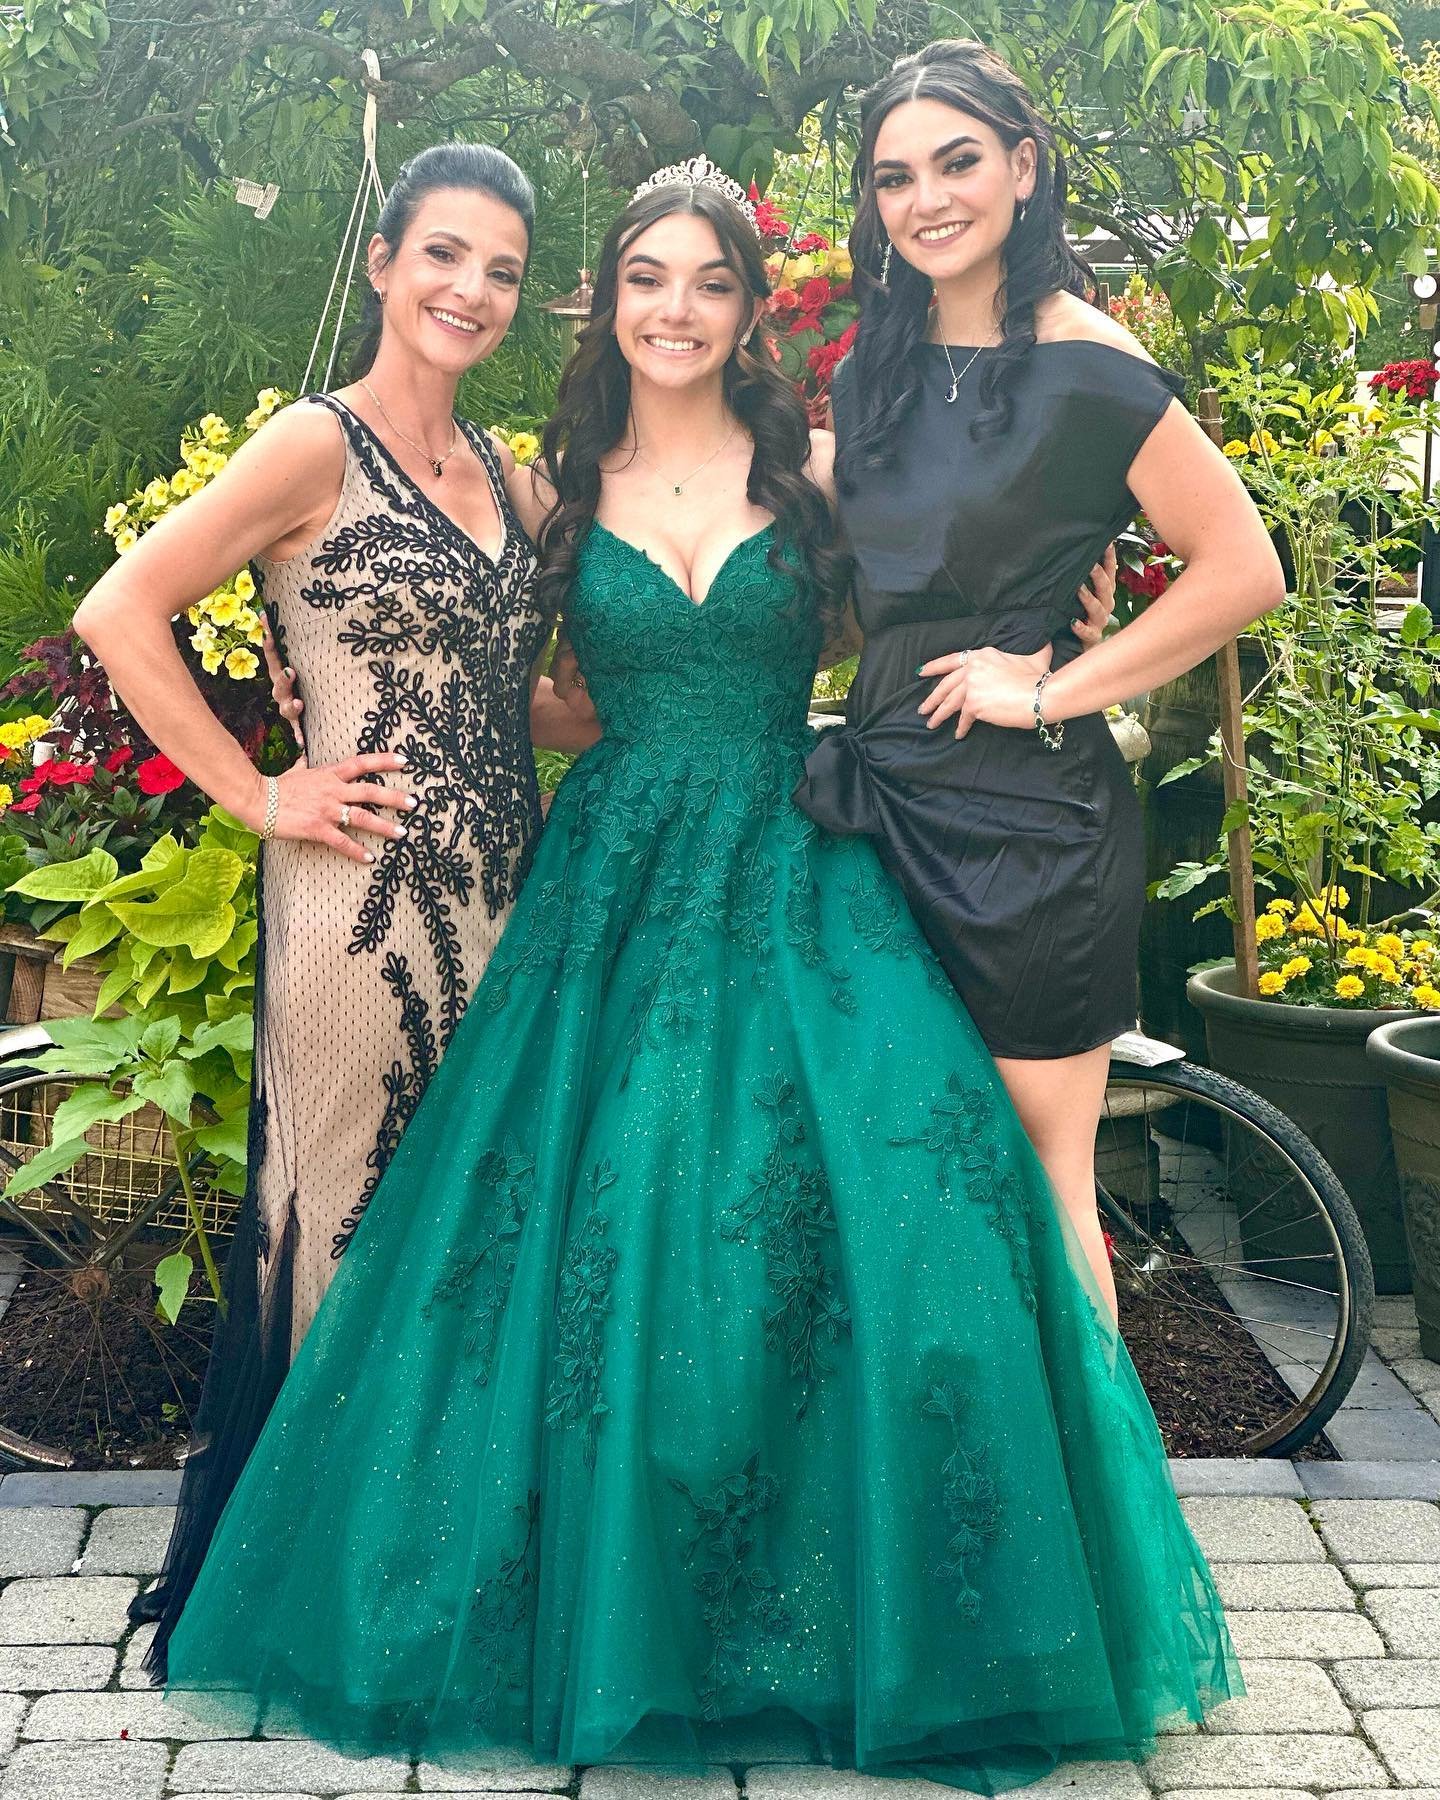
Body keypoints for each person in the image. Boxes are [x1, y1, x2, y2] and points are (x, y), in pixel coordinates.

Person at [161, 165, 1241, 1793]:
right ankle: (622, 1608)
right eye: (644, 278)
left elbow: (958, 581)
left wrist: (1052, 638)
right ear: (607, 302)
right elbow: (516, 684)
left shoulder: (817, 470)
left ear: (749, 308)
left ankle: (882, 1603)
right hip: (611, 884)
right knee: (614, 1210)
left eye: (708, 281)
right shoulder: (554, 490)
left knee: (901, 1206)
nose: (675, 307)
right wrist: (327, 750)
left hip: (801, 855)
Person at [72, 141, 596, 1677]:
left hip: (512, 900)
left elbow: (546, 704)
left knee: (473, 1234)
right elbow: (122, 609)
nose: (472, 290)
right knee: (341, 1228)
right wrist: (260, 793)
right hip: (355, 910)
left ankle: (438, 1576)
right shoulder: (318, 444)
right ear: (382, 262)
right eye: (444, 254)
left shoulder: (518, 478)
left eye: (500, 268)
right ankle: (299, 1598)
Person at [795, 41, 1285, 1316]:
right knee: (897, 1159)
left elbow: (1244, 568)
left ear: (1023, 167)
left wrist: (1057, 687)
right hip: (880, 798)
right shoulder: (869, 373)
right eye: (895, 176)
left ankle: (1081, 1501)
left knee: (1041, 1169)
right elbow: (867, 596)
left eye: (958, 161)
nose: (927, 198)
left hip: (1031, 820)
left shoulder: (1092, 364)